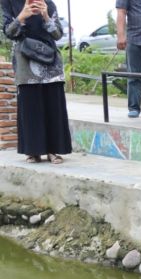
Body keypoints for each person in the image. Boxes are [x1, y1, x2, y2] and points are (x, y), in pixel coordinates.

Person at [1, 0, 71, 164]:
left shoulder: (49, 4)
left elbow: (58, 34)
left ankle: (54, 151)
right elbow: (9, 32)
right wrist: (22, 16)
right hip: (25, 63)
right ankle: (33, 151)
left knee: (53, 106)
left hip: (50, 63)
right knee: (30, 107)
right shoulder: (9, 3)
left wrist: (46, 16)